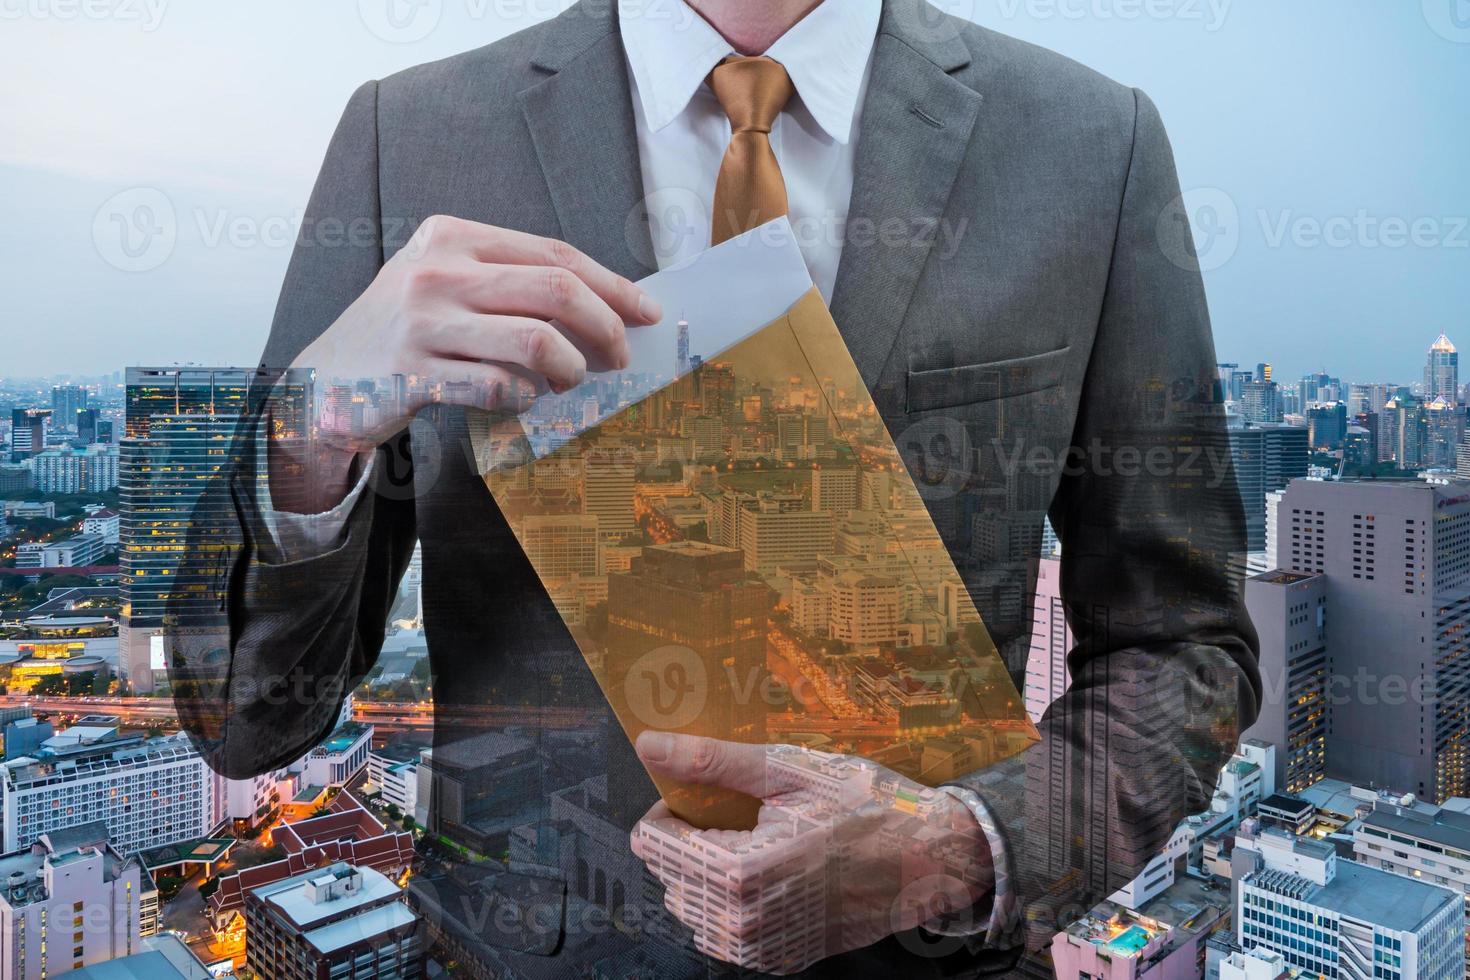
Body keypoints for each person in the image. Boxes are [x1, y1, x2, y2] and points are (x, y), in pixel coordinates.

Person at [168, 0, 1259, 975]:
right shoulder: (406, 135)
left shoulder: (1089, 142)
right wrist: (310, 434)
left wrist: (968, 843)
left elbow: (1187, 645)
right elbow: (246, 721)